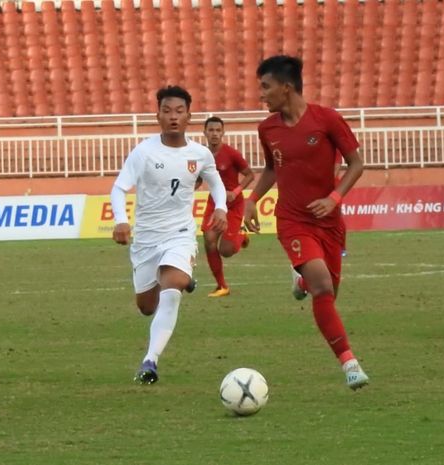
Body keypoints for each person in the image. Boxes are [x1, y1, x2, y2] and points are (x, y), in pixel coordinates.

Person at [243, 55, 369, 390]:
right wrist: (252, 200)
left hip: (329, 221)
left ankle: (301, 281)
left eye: (266, 87)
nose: (261, 95)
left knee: (327, 293)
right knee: (323, 287)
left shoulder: (326, 119)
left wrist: (334, 199)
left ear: (287, 88)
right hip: (292, 220)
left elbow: (356, 164)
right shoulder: (266, 129)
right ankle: (350, 364)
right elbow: (272, 168)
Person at [110, 86, 228, 384]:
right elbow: (119, 187)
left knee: (172, 288)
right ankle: (185, 276)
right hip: (147, 239)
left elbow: (215, 182)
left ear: (189, 116)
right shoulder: (144, 152)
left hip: (180, 233)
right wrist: (122, 221)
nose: (173, 117)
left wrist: (222, 208)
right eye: (167, 111)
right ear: (158, 115)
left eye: (179, 111)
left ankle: (150, 361)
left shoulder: (199, 154)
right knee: (147, 307)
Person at [200, 116, 256, 297]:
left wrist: (237, 190)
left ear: (223, 133)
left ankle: (241, 237)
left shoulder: (232, 154)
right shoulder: (201, 155)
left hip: (233, 205)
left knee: (226, 250)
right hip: (215, 203)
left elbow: (249, 175)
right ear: (205, 133)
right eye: (211, 130)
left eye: (218, 130)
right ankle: (222, 286)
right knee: (208, 239)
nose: (214, 134)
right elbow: (199, 178)